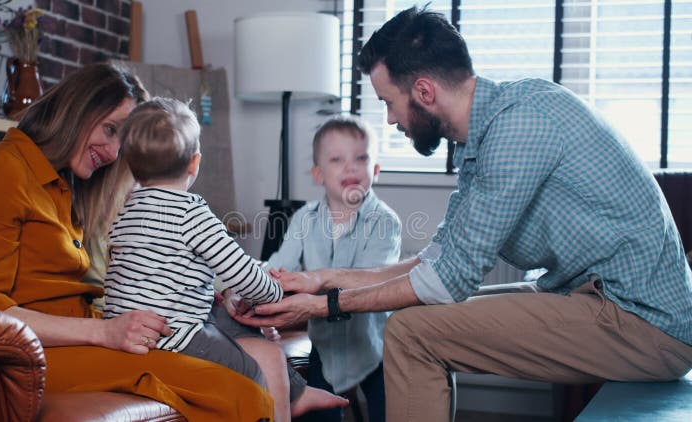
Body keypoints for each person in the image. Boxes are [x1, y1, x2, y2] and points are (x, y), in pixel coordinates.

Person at [236, 6, 692, 421]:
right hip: (590, 297)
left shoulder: (517, 129)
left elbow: (445, 281)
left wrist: (324, 303)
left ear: (424, 91)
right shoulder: (488, 135)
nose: (391, 120)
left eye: (389, 103)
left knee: (412, 332)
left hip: (643, 322)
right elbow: (435, 262)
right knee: (410, 320)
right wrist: (322, 278)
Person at [0, 63, 273, 422]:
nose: (113, 152)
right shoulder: (4, 171)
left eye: (124, 140)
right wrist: (103, 331)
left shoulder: (62, 182)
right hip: (34, 355)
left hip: (83, 339)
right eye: (110, 129)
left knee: (247, 366)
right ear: (78, 108)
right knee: (238, 391)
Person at [106, 97, 348, 422]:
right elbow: (242, 274)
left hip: (130, 329)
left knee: (225, 314)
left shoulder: (126, 212)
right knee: (260, 365)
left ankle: (299, 393)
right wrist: (274, 291)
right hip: (175, 338)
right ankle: (281, 408)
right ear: (194, 163)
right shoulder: (191, 213)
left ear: (132, 165)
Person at [265, 115, 401, 422]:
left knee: (388, 411)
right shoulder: (304, 218)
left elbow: (369, 282)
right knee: (319, 414)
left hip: (376, 345)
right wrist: (264, 280)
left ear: (376, 170)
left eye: (361, 158)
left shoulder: (384, 222)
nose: (351, 167)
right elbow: (280, 263)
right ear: (319, 174)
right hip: (326, 346)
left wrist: (314, 286)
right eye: (337, 160)